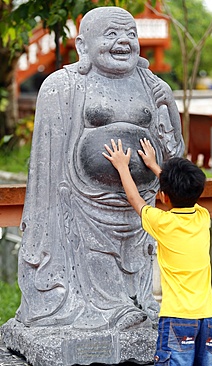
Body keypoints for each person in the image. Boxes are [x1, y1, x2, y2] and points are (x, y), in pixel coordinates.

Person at [15, 6, 184, 330]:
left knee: (134, 256)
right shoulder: (63, 85)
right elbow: (47, 162)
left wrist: (169, 104)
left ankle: (133, 303)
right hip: (81, 198)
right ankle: (105, 311)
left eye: (130, 34)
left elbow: (173, 148)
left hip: (140, 198)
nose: (123, 42)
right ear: (82, 46)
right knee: (91, 251)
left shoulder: (151, 84)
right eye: (112, 34)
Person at [103, 138, 212, 366]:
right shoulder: (203, 217)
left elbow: (136, 200)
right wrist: (156, 167)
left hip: (177, 319)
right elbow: (180, 191)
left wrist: (123, 167)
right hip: (208, 317)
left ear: (164, 196)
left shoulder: (163, 222)